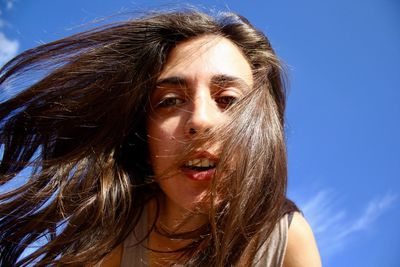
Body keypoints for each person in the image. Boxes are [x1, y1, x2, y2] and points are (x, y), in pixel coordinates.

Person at [0, 10, 321, 266]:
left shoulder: (286, 239)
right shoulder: (112, 232)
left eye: (227, 99)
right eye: (169, 101)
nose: (199, 120)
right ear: (144, 133)